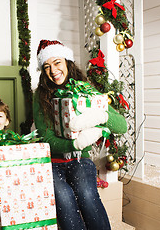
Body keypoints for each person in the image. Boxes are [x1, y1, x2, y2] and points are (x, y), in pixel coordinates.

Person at [33, 39, 127, 230]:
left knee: (86, 194)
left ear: (67, 61)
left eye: (57, 62)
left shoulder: (84, 90)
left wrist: (101, 114)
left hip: (80, 160)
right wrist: (74, 144)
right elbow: (46, 138)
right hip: (52, 163)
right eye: (47, 66)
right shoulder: (40, 96)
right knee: (64, 198)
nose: (53, 70)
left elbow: (121, 126)